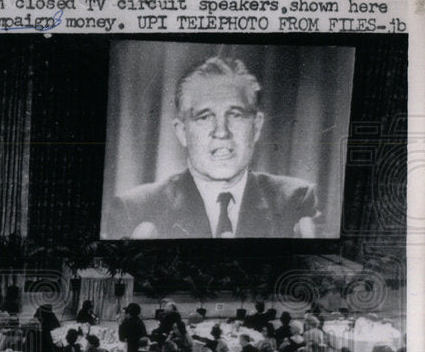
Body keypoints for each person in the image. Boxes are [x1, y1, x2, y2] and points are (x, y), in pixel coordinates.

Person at [107, 55, 319, 239]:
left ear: (256, 126)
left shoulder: (297, 201)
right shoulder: (134, 210)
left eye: (235, 115)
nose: (221, 131)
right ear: (182, 132)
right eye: (205, 116)